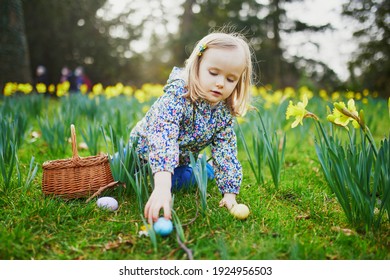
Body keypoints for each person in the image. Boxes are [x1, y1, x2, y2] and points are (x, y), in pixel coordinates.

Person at [129, 31, 254, 223]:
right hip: (140, 155)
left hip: (179, 162)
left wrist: (230, 195)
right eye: (213, 73)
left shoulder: (223, 112)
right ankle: (164, 176)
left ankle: (206, 170)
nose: (220, 83)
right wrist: (162, 187)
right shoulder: (178, 95)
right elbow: (163, 137)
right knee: (121, 170)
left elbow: (226, 151)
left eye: (230, 79)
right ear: (197, 66)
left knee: (183, 181)